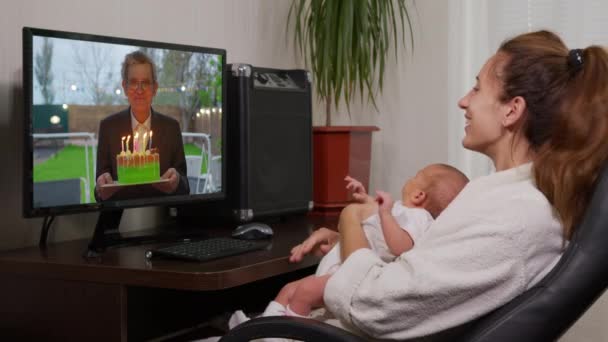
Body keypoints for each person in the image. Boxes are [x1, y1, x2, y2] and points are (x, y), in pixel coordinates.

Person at [285, 30, 608, 340]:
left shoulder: (514, 217)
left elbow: (373, 304)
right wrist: (354, 239)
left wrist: (351, 218)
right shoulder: (509, 201)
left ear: (512, 110)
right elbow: (427, 271)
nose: (463, 101)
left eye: (477, 89)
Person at [230, 164, 469, 323]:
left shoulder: (420, 218)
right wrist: (366, 198)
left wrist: (384, 213)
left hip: (351, 276)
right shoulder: (401, 212)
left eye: (416, 177)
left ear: (419, 196)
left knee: (303, 292)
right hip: (342, 265)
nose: (409, 178)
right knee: (289, 288)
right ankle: (263, 328)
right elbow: (373, 219)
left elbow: (401, 246)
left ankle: (284, 337)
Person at [95, 51, 189, 201]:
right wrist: (101, 189)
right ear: (124, 87)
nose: (139, 90)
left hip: (161, 215)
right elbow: (99, 191)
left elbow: (185, 186)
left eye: (145, 82)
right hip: (120, 218)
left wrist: (177, 181)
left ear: (155, 88)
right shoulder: (108, 127)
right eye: (133, 82)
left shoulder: (171, 128)